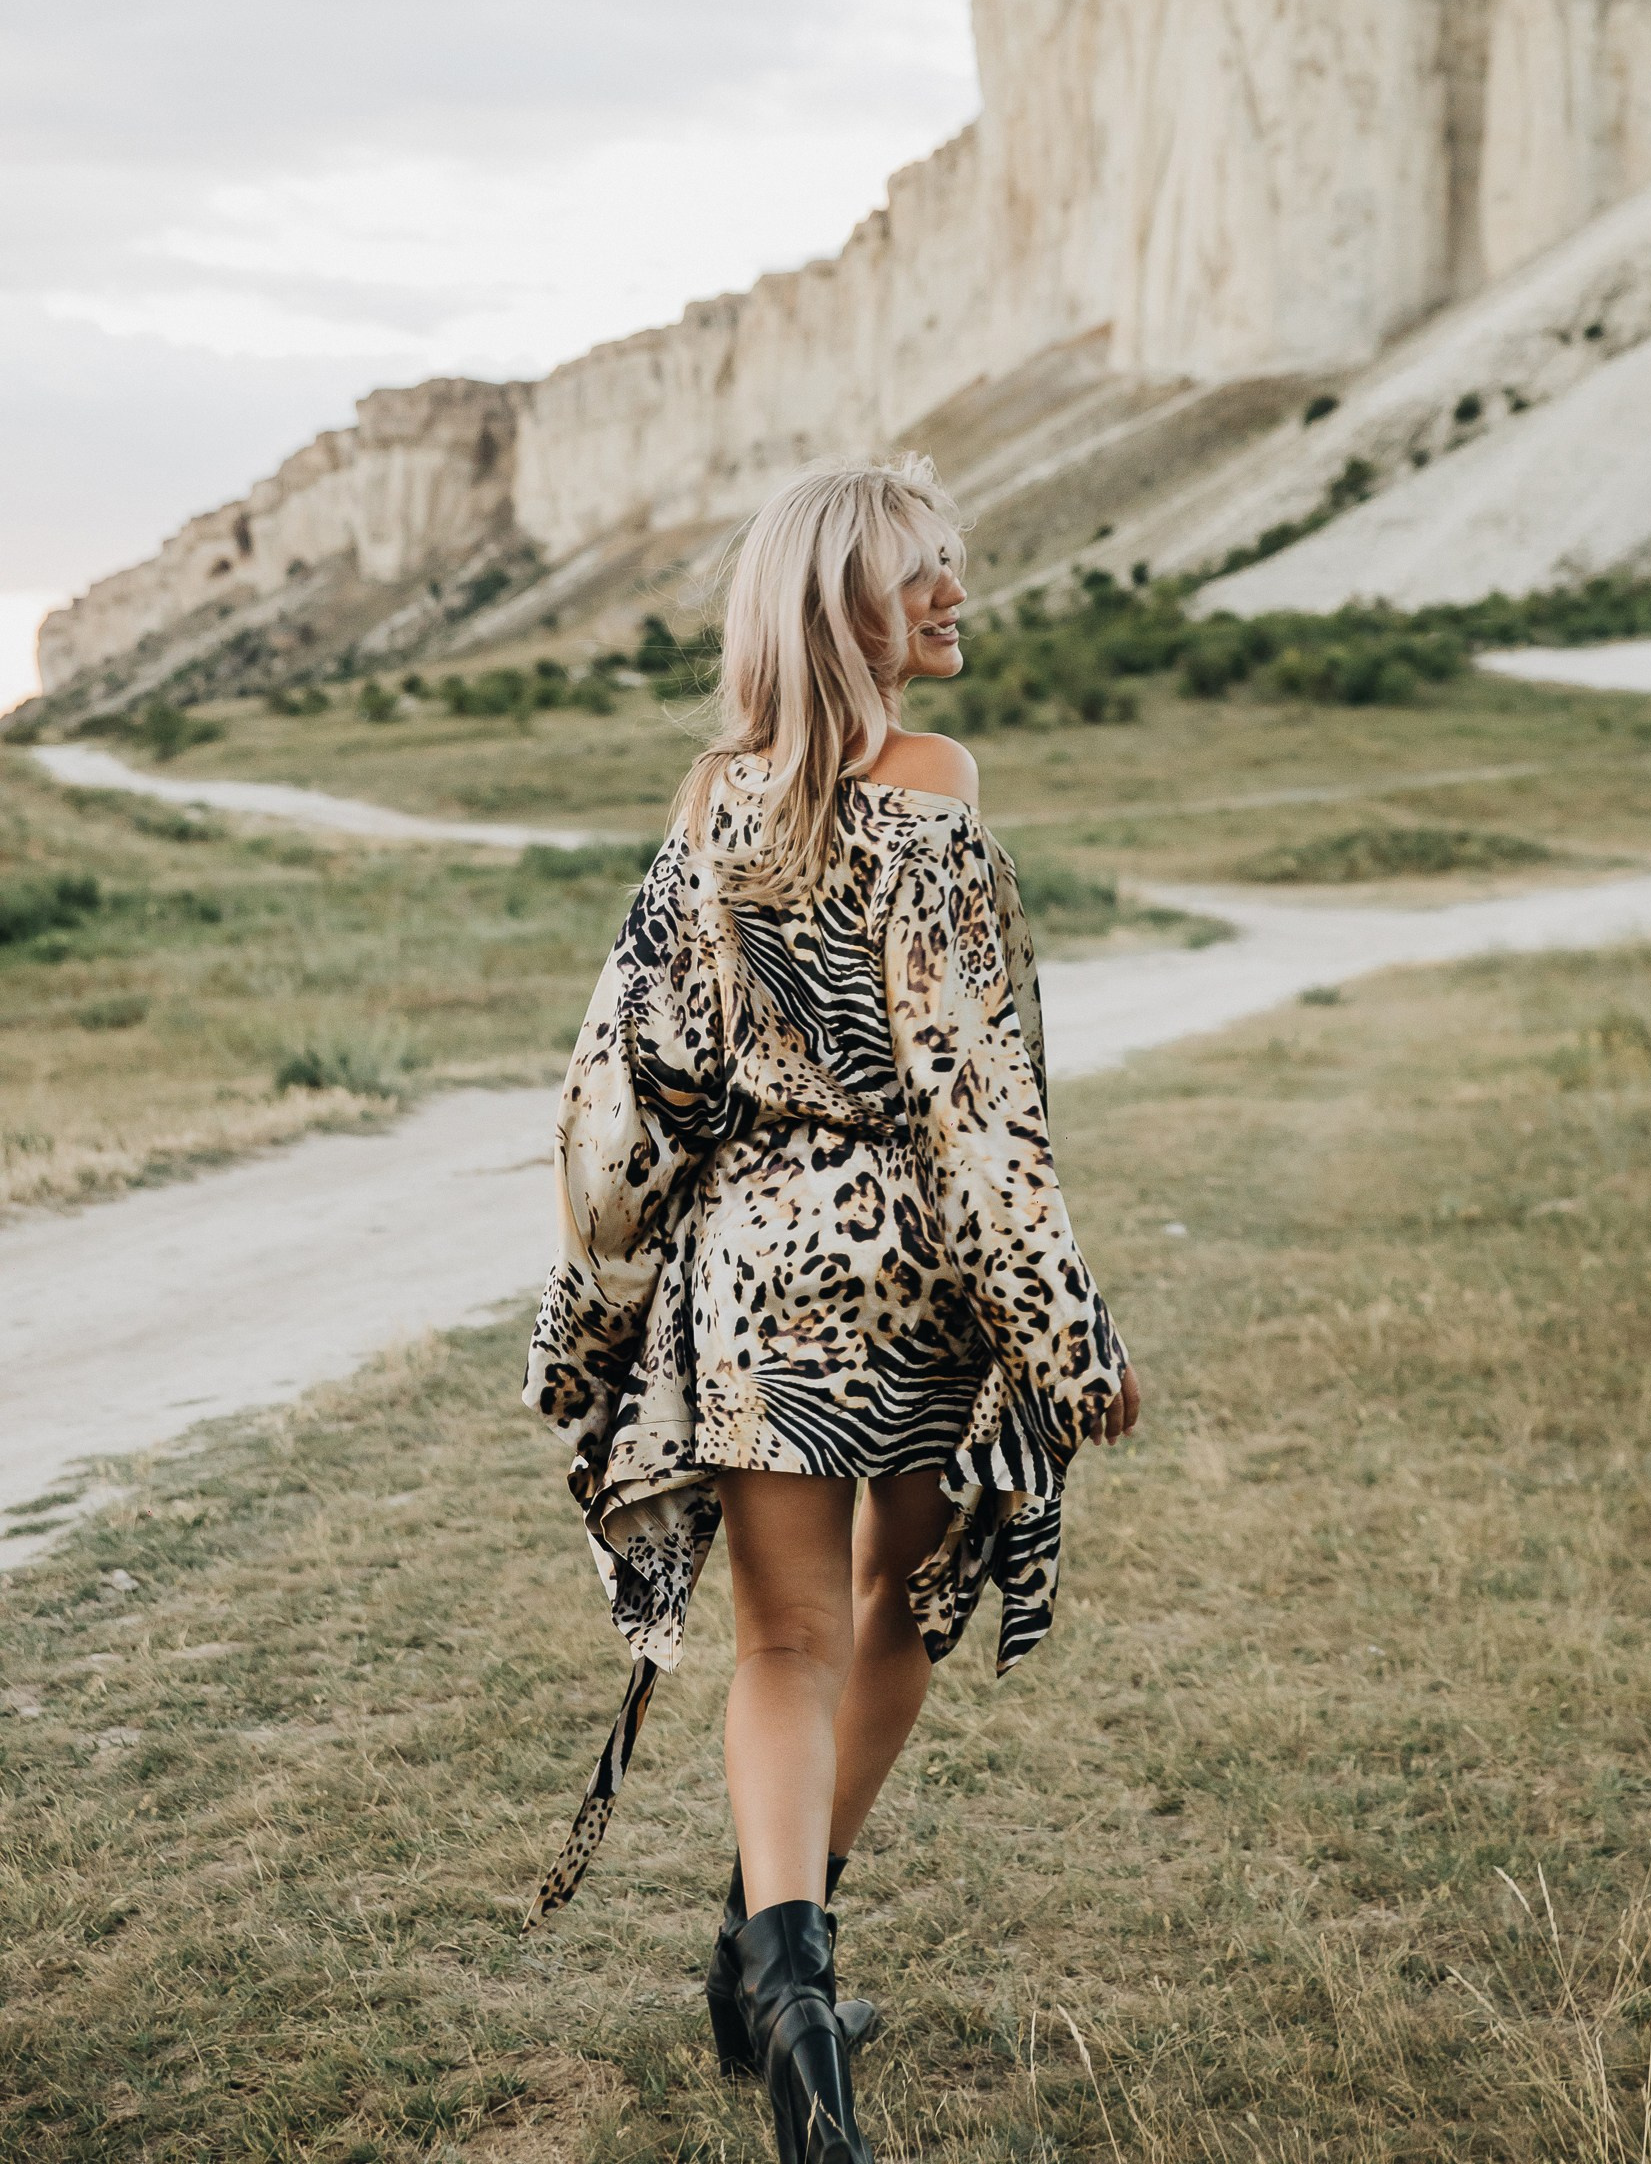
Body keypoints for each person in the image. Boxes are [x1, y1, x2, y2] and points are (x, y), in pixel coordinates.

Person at [523, 454, 1140, 2164]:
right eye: (919, 577)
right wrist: (1067, 1332)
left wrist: (603, 1303)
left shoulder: (713, 801)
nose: (955, 599)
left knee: (774, 1645)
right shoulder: (933, 782)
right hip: (916, 1272)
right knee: (895, 1612)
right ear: (840, 609)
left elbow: (623, 1085)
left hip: (750, 1272)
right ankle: (788, 1955)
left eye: (952, 568)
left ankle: (778, 1974)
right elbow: (975, 1102)